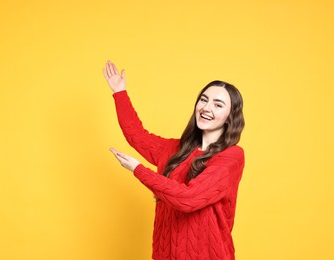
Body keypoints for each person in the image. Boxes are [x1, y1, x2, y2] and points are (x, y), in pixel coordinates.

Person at [103, 60, 245, 260]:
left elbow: (189, 198)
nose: (206, 107)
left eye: (218, 104)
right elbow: (137, 135)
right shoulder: (176, 149)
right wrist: (119, 92)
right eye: (203, 100)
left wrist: (138, 169)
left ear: (230, 117)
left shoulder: (231, 156)